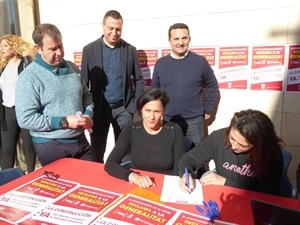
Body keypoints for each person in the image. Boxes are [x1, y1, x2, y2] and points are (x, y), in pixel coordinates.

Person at [15, 23, 94, 167]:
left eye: (60, 46)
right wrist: (64, 121)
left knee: (92, 184)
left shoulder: (72, 67)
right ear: (38, 49)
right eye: (52, 49)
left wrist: (88, 114)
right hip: (51, 146)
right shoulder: (29, 77)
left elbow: (86, 96)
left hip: (81, 141)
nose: (59, 52)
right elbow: (25, 119)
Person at [81, 10, 144, 163]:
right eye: (111, 28)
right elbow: (83, 83)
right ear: (103, 26)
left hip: (124, 109)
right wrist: (86, 110)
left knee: (125, 152)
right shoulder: (89, 50)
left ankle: (123, 181)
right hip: (99, 109)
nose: (114, 33)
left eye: (118, 29)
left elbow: (139, 79)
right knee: (97, 151)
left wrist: (135, 106)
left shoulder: (130, 50)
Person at [178, 109, 284, 196]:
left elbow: (266, 196)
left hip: (249, 204)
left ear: (258, 144)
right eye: (232, 138)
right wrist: (185, 175)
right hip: (221, 196)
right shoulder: (219, 137)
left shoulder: (271, 154)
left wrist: (225, 183)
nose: (233, 146)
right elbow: (190, 158)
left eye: (242, 145)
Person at [151, 23, 219, 148]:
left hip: (194, 121)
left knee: (196, 159)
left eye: (184, 38)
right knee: (169, 155)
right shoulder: (161, 64)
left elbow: (212, 85)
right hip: (168, 120)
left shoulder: (200, 62)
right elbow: (154, 92)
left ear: (189, 39)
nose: (180, 43)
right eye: (176, 39)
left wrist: (208, 109)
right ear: (169, 41)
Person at [105, 88, 186, 188]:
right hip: (138, 184)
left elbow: (180, 169)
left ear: (163, 111)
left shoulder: (174, 130)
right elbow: (110, 163)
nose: (152, 117)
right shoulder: (132, 129)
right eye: (148, 110)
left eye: (156, 111)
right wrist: (132, 176)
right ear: (141, 110)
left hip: (166, 185)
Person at [0, 34, 36, 172]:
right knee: (7, 149)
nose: (2, 49)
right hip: (7, 110)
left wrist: (27, 56)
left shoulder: (25, 63)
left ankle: (31, 174)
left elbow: (32, 76)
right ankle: (4, 181)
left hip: (24, 110)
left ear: (14, 46)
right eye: (1, 46)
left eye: (5, 46)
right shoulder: (2, 67)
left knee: (28, 146)